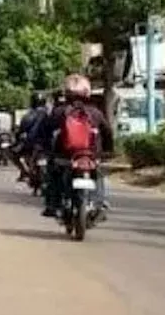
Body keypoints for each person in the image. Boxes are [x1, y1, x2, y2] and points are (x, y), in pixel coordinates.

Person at [37, 74, 114, 218]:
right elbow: (107, 133)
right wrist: (108, 151)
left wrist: (44, 150)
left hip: (63, 157)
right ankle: (99, 203)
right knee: (97, 174)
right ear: (87, 92)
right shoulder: (95, 112)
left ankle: (52, 204)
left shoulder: (58, 112)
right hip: (91, 156)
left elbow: (43, 132)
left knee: (53, 173)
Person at [12, 92, 49, 183]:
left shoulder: (28, 115)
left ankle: (24, 172)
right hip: (47, 143)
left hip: (31, 142)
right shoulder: (50, 112)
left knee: (14, 154)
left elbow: (21, 130)